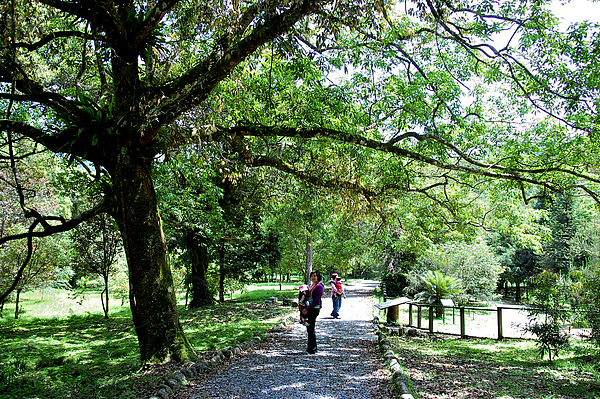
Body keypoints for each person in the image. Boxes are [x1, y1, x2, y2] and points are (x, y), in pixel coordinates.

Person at [302, 270, 324, 354]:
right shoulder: (311, 285)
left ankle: (313, 348)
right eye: (312, 276)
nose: (313, 277)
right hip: (309, 308)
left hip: (314, 309)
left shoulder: (319, 286)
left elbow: (316, 300)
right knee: (309, 329)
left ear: (318, 277)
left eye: (315, 276)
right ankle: (310, 347)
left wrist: (307, 309)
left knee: (311, 328)